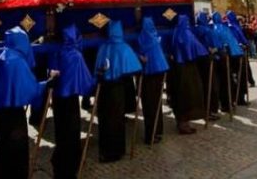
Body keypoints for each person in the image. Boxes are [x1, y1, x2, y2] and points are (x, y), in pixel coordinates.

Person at [0, 27, 55, 178]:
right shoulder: (16, 60)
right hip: (10, 111)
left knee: (2, 146)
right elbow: (29, 89)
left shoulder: (6, 53)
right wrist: (48, 83)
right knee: (17, 149)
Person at [48, 24, 95, 178]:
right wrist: (97, 79)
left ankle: (59, 162)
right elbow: (87, 82)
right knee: (71, 131)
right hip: (70, 99)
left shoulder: (57, 52)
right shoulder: (76, 55)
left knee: (60, 130)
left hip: (58, 97)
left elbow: (51, 71)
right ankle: (70, 166)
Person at [94, 20, 142, 162]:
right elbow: (135, 67)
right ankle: (115, 152)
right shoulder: (124, 48)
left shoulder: (103, 47)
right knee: (116, 120)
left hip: (104, 89)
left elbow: (97, 69)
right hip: (116, 89)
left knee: (105, 120)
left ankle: (105, 151)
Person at [169, 15, 207, 134]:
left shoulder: (176, 31)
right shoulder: (186, 33)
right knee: (188, 95)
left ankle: (181, 121)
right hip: (187, 67)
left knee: (179, 94)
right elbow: (197, 47)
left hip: (177, 66)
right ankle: (184, 124)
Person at [137, 17, 170, 144]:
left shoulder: (142, 38)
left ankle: (150, 134)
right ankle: (158, 131)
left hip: (148, 74)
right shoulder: (156, 37)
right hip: (159, 73)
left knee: (149, 105)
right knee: (157, 103)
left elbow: (140, 54)